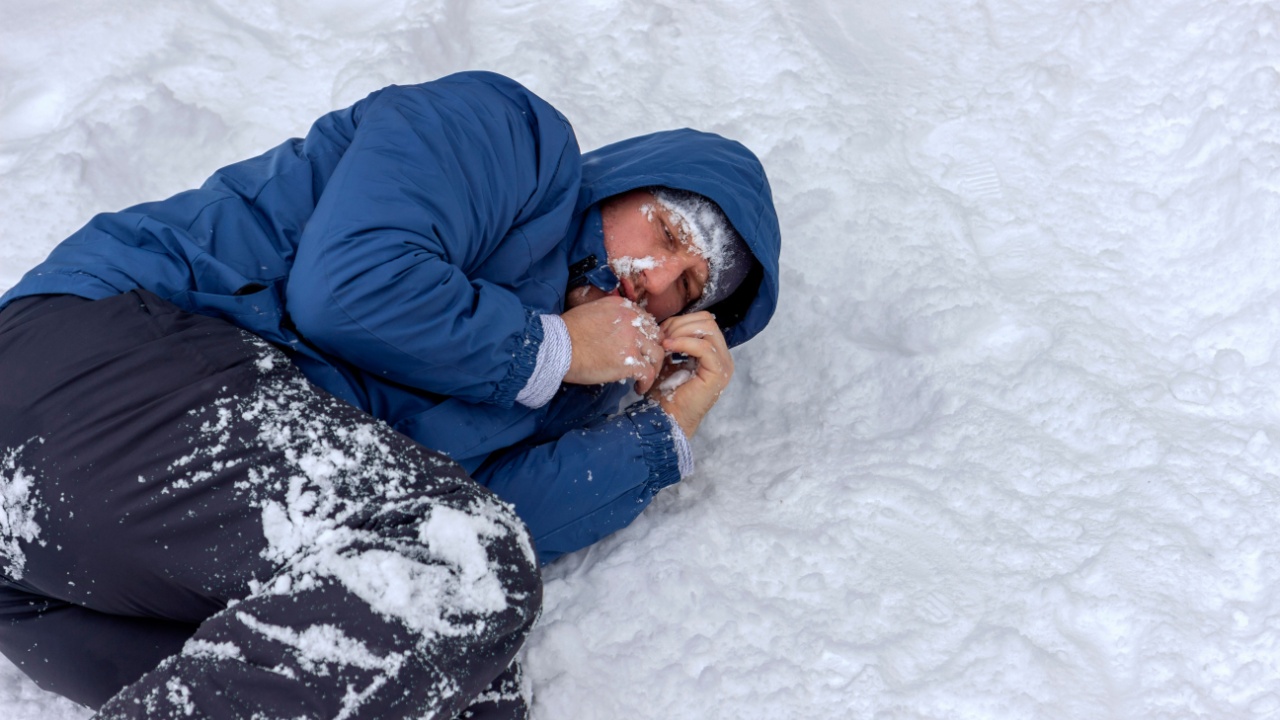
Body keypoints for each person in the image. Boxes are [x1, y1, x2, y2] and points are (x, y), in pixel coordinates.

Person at [0, 71, 780, 718]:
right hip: (91, 369)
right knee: (463, 555)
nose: (656, 283)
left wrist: (663, 425)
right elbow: (347, 288)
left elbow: (487, 535)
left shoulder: (550, 392)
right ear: (625, 185)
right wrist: (560, 349)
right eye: (669, 236)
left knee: (468, 678)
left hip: (63, 585)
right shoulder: (514, 141)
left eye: (688, 291)